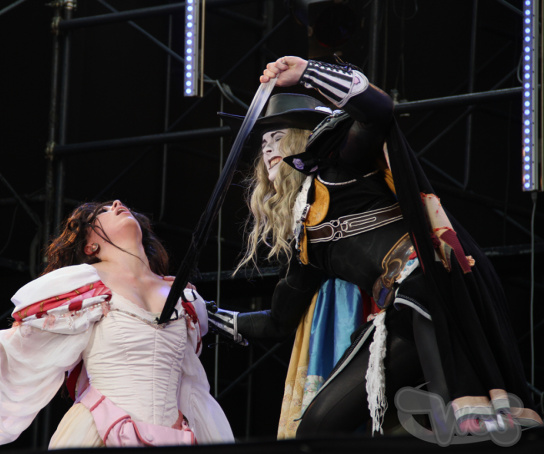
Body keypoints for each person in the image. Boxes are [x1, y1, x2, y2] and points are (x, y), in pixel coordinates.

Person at [210, 56, 543, 439]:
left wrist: (307, 72)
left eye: (278, 137)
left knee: (461, 423)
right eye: (264, 142)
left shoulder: (341, 167)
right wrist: (205, 315)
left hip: (433, 293)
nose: (268, 149)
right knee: (317, 427)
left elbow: (378, 112)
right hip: (400, 315)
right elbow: (278, 321)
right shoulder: (307, 241)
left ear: (304, 139)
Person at [0, 200, 234, 453]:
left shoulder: (185, 297)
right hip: (100, 432)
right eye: (102, 212)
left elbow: (192, 381)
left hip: (174, 437)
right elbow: (12, 355)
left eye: (117, 206)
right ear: (91, 247)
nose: (117, 204)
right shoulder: (83, 290)